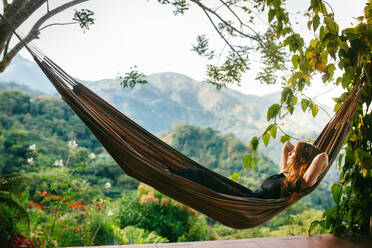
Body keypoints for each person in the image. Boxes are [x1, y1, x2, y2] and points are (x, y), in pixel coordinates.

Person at [171, 141, 329, 199]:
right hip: (244, 197)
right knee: (201, 174)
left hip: (245, 203)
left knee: (201, 175)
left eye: (294, 154)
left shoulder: (301, 183)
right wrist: (299, 153)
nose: (289, 153)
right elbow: (286, 144)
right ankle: (168, 172)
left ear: (302, 159)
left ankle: (167, 173)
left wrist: (304, 153)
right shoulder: (287, 172)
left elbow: (322, 157)